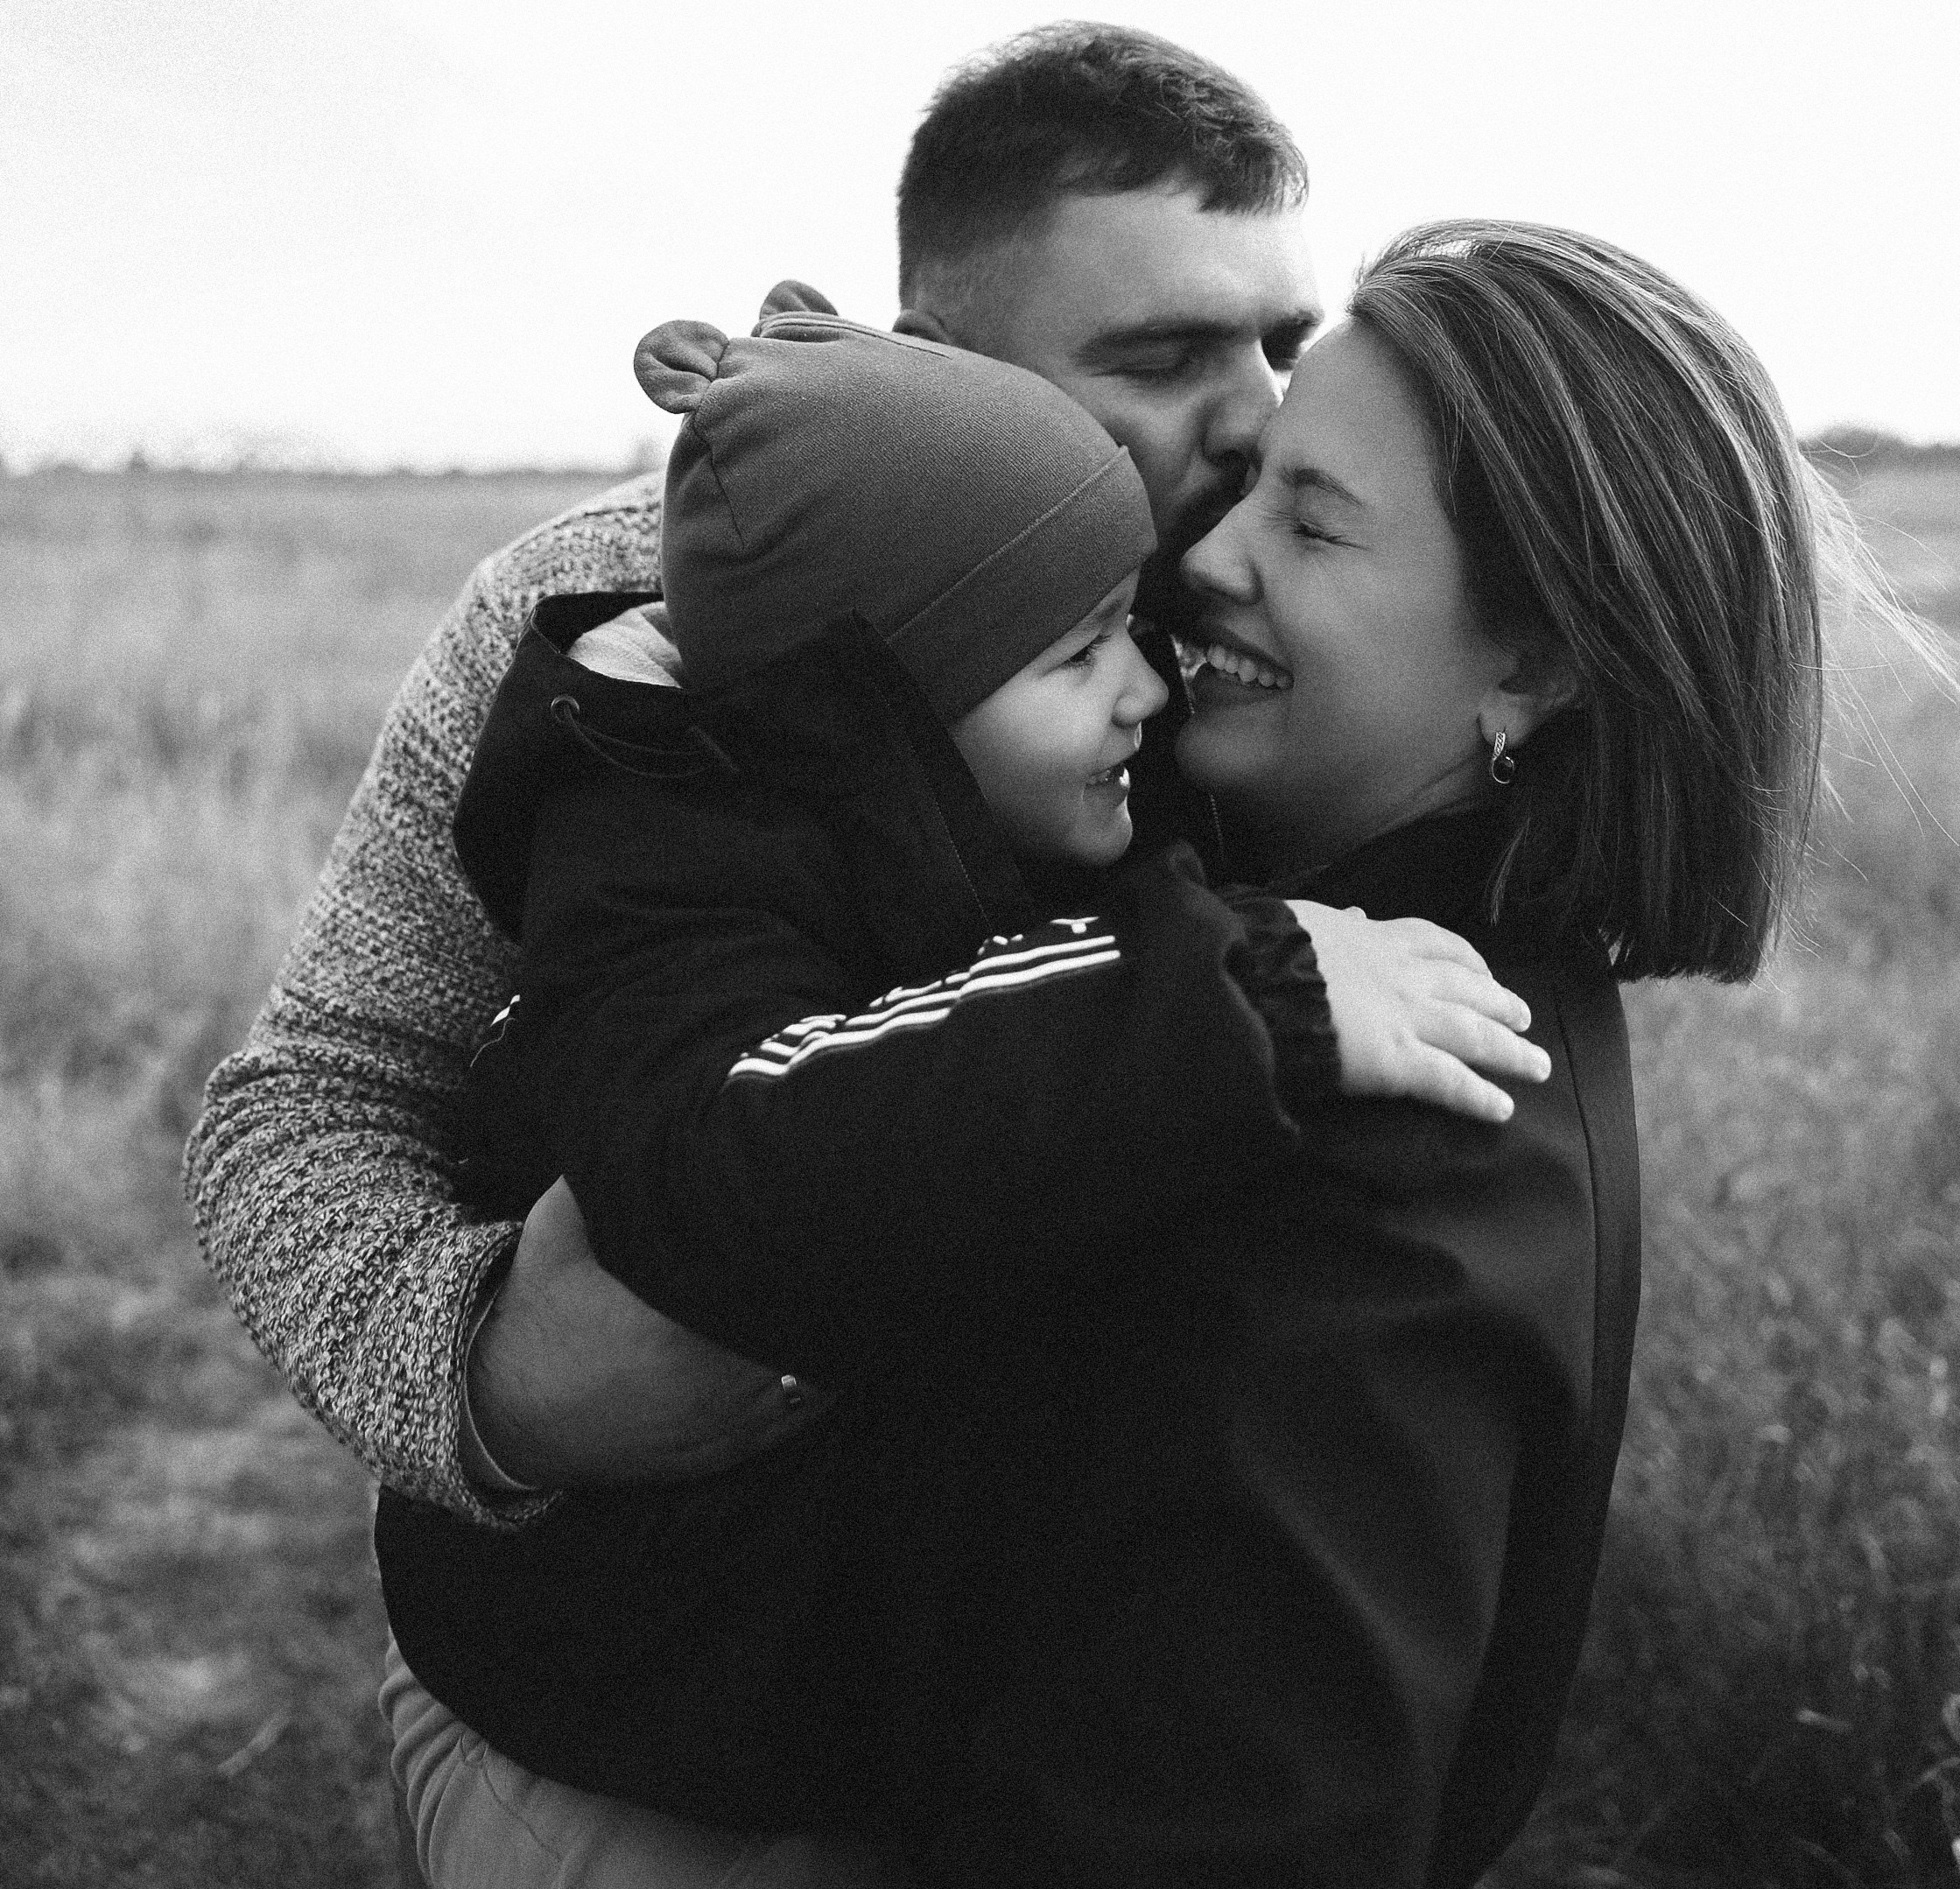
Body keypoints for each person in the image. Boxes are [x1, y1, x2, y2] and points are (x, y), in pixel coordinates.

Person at [373, 305, 1546, 1861]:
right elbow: (742, 1142)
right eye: (1077, 654)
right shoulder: (667, 882)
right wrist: (1247, 990)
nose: (1148, 689)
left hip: (802, 1709)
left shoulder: (896, 801)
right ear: (876, 720)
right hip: (627, 1725)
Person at [183, 24, 1324, 1519]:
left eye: (1284, 349)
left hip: (1072, 1659)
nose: (1256, 422)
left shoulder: (1306, 623)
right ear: (935, 367)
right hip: (620, 1661)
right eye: (1166, 359)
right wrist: (497, 1384)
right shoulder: (605, 615)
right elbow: (317, 1095)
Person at [926, 220, 1827, 1885]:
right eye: (1256, 479)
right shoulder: (1348, 957)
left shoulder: (1387, 1146)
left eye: (1314, 523)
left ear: (1540, 657)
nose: (1207, 554)